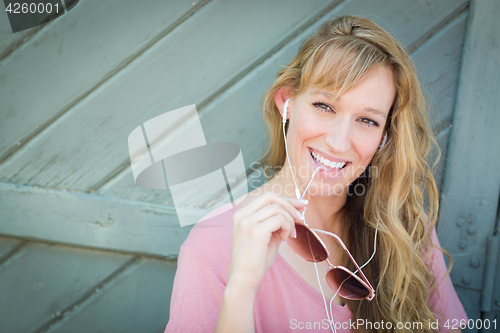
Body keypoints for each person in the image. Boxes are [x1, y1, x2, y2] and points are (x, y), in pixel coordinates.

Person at [165, 15, 468, 333]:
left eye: (367, 120)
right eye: (325, 106)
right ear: (286, 104)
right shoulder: (213, 247)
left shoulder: (405, 228)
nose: (339, 142)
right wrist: (241, 287)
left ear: (384, 137)